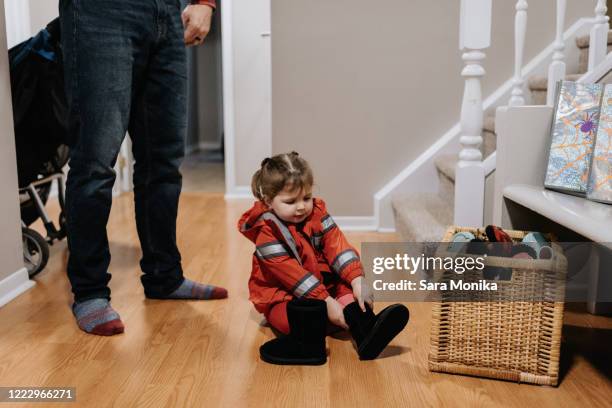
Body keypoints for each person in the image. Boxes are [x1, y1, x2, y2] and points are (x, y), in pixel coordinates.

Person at [59, 0, 227, 336]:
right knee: (95, 162)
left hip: (167, 11)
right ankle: (90, 292)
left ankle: (164, 275)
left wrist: (205, 3)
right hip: (99, 13)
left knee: (163, 162)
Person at [238, 152, 409, 365]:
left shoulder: (317, 214)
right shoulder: (266, 231)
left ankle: (366, 330)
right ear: (268, 201)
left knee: (346, 289)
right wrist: (325, 301)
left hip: (322, 285)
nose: (301, 206)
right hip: (284, 293)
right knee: (289, 315)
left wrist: (357, 279)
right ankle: (311, 342)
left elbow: (337, 246)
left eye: (307, 197)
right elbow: (292, 276)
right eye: (291, 201)